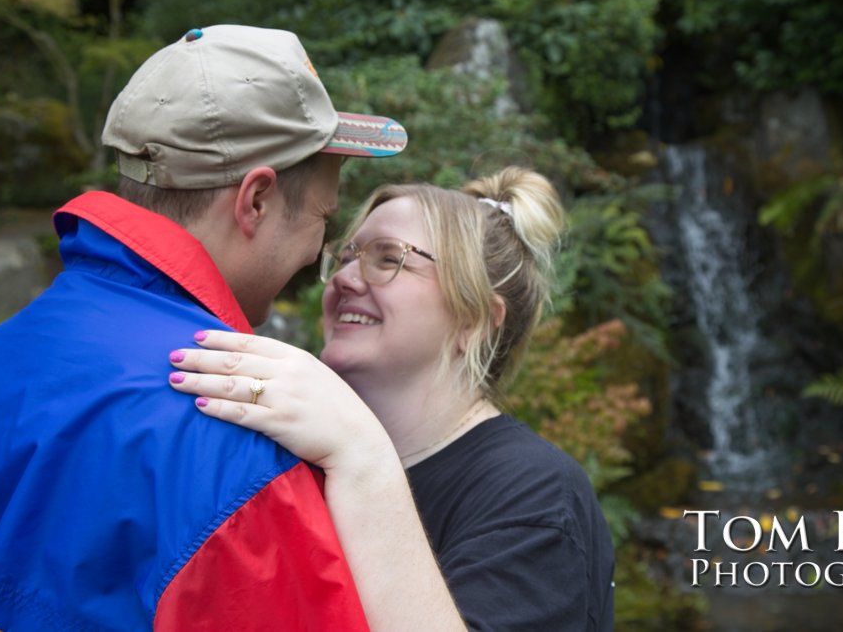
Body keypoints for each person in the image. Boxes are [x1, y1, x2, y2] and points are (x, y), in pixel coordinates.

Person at [0, 24, 411, 631]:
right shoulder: (236, 448)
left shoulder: (6, 350)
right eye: (322, 216)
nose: (319, 258)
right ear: (255, 201)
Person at [165, 166, 617, 630]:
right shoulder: (302, 457)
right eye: (345, 257)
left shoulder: (536, 495)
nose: (344, 279)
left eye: (388, 259)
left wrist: (364, 455)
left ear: (475, 320)